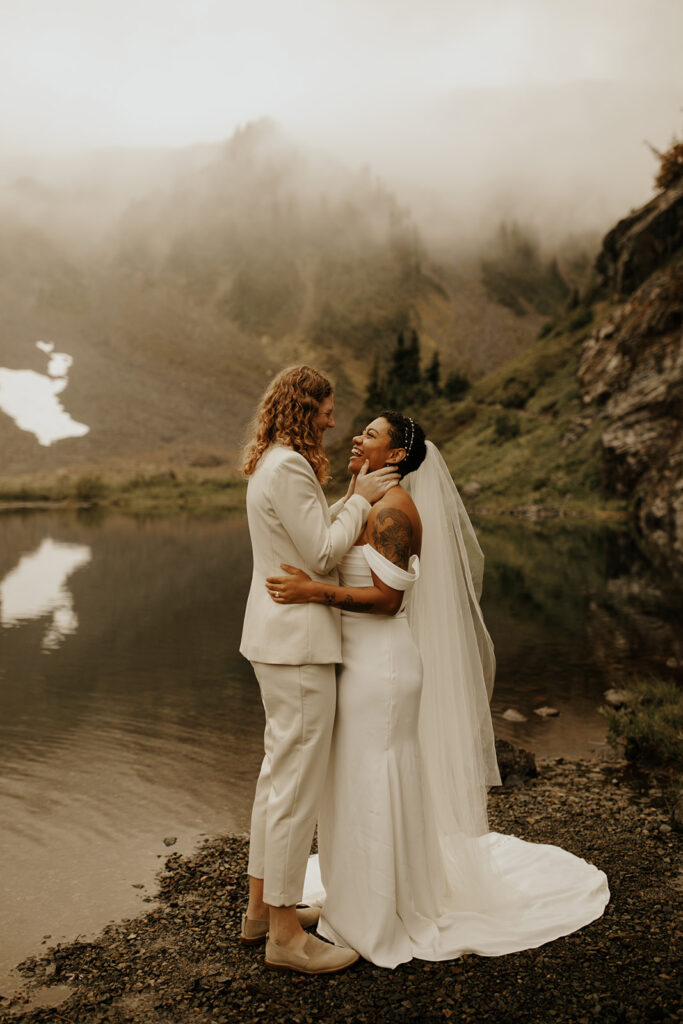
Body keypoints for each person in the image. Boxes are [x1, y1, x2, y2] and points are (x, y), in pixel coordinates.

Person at [266, 411, 610, 968]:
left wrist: (311, 592)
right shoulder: (367, 504)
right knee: (352, 780)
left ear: (397, 455)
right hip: (356, 663)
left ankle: (382, 912)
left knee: (376, 779)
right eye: (360, 431)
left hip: (382, 668)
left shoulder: (394, 514)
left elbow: (388, 602)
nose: (356, 437)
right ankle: (357, 895)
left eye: (371, 435)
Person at [238, 367, 400, 975]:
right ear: (305, 408)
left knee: (276, 777)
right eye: (328, 410)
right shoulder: (287, 467)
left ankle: (260, 910)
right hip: (298, 646)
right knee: (294, 788)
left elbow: (307, 534)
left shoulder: (274, 463)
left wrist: (349, 492)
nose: (335, 421)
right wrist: (360, 499)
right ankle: (285, 936)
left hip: (277, 640)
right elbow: (325, 553)